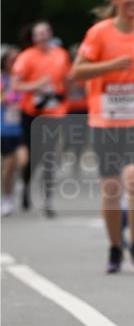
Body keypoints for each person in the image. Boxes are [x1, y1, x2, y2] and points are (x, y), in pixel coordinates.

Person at [72, 0, 134, 274]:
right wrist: (110, 65)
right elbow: (77, 72)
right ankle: (114, 247)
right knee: (111, 188)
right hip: (105, 119)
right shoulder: (99, 33)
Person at [10, 21, 70, 215]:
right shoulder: (26, 57)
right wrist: (37, 85)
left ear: (50, 34)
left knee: (50, 157)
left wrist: (62, 95)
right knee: (30, 158)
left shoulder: (61, 55)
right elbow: (16, 85)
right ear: (33, 37)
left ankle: (48, 200)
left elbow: (66, 81)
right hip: (31, 114)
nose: (43, 36)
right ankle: (25, 186)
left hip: (54, 113)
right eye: (39, 34)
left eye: (45, 32)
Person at [1, 46, 24, 216]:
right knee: (8, 166)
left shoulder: (23, 77)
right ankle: (7, 199)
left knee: (23, 161)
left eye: (17, 60)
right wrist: (11, 92)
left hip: (21, 126)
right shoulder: (2, 78)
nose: (15, 63)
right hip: (5, 128)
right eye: (12, 60)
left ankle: (19, 182)